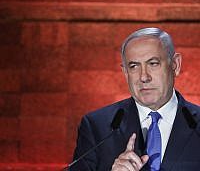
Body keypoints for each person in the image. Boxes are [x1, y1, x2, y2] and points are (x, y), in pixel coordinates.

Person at [70, 27, 200, 171]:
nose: (144, 77)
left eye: (153, 64)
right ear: (125, 72)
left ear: (175, 65)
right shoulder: (97, 127)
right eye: (134, 66)